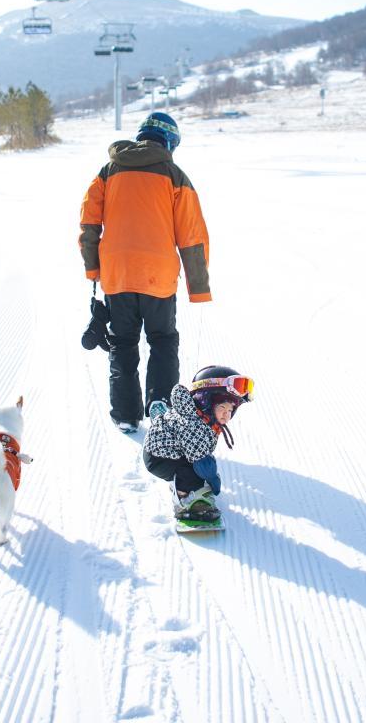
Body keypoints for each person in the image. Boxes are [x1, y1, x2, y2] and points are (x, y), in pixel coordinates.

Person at [79, 112, 211, 433]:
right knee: (163, 341)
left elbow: (88, 224)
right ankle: (162, 410)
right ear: (168, 142)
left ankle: (125, 415)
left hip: (118, 275)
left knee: (122, 342)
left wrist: (94, 268)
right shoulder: (174, 175)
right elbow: (191, 236)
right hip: (158, 277)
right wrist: (197, 286)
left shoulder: (108, 172)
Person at [143, 365, 254, 522]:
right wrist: (212, 478)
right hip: (158, 458)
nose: (226, 414)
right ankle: (185, 502)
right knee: (193, 472)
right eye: (222, 407)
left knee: (194, 471)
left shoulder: (204, 418)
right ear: (206, 402)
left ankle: (183, 485)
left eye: (230, 410)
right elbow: (202, 461)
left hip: (168, 452)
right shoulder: (195, 423)